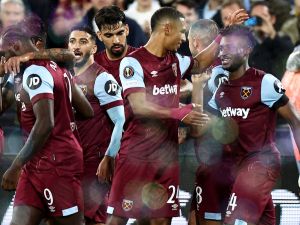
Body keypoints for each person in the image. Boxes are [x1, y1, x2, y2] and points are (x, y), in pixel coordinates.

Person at [106, 6, 248, 225]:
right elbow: (139, 106)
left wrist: (225, 32)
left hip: (166, 157)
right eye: (182, 32)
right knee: (119, 219)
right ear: (167, 28)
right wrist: (178, 112)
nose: (184, 38)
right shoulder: (132, 62)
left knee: (162, 220)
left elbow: (200, 62)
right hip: (137, 154)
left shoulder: (176, 61)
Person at [206, 24, 300, 225]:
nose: (223, 53)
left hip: (260, 163)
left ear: (247, 49)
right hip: (235, 168)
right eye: (221, 48)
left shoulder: (265, 82)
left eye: (230, 47)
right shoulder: (220, 90)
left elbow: (295, 121)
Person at [0, 24, 93, 225]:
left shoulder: (35, 71)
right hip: (35, 162)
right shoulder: (59, 70)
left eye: (4, 52)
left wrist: (16, 165)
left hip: (57, 164)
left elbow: (46, 123)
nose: (3, 58)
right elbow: (87, 111)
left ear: (15, 46)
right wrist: (64, 113)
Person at [68, 26, 125, 225]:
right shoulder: (66, 78)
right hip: (73, 163)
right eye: (72, 41)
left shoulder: (102, 78)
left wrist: (109, 157)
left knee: (95, 220)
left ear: (93, 48)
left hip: (96, 163)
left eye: (83, 42)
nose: (76, 46)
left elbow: (120, 120)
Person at [94, 5, 137, 85]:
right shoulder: (93, 66)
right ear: (100, 36)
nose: (116, 41)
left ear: (127, 30)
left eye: (120, 33)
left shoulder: (142, 59)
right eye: (109, 35)